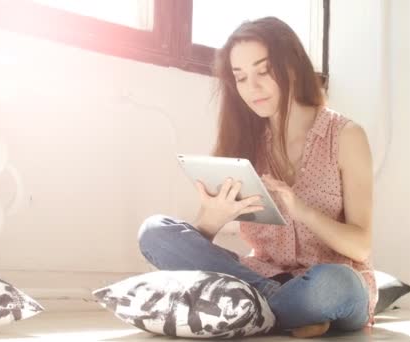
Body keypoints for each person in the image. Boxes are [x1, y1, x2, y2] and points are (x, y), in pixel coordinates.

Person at [138, 16, 376, 338]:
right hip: (260, 273)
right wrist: (211, 221)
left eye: (264, 71)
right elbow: (197, 246)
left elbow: (360, 247)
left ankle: (256, 309)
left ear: (292, 65)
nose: (253, 88)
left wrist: (303, 212)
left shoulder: (346, 136)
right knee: (155, 232)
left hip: (331, 284)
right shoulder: (242, 142)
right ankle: (283, 308)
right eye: (241, 77)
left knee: (336, 284)